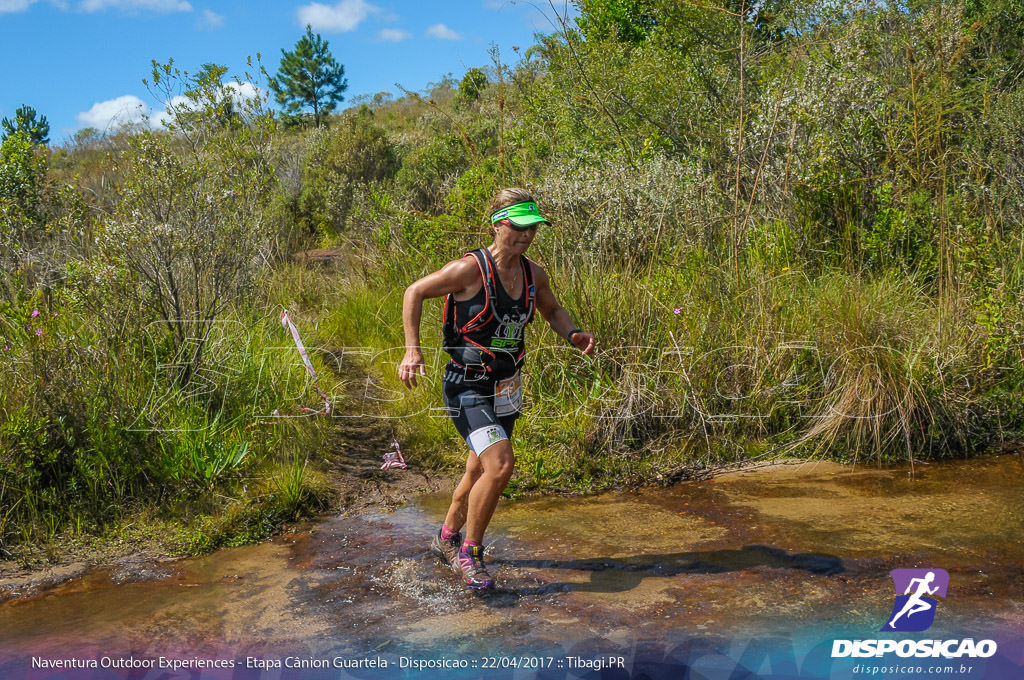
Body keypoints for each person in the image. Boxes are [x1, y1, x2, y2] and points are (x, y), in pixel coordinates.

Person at [398, 188, 596, 590]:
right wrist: (411, 351)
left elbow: (552, 309)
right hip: (466, 386)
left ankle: (446, 538)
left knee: (478, 466)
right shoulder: (469, 270)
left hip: (506, 385)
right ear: (498, 224)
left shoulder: (532, 273)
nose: (526, 236)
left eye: (533, 229)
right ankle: (470, 553)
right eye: (519, 228)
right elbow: (414, 291)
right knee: (501, 465)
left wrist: (572, 333)